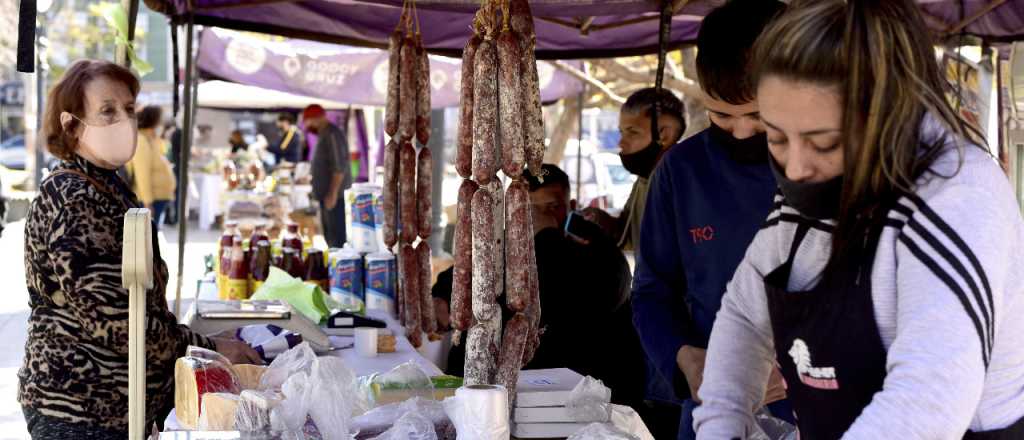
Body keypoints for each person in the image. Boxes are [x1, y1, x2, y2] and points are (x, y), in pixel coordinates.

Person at [694, 1, 1024, 438]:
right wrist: (721, 426)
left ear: (886, 116)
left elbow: (926, 400)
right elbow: (743, 314)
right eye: (775, 137)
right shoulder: (813, 187)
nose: (795, 168)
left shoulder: (957, 195)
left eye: (823, 142)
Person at [19, 59, 261, 439]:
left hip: (116, 407)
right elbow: (117, 324)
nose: (124, 121)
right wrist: (207, 347)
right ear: (70, 124)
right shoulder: (73, 197)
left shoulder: (105, 184)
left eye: (129, 109)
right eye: (107, 111)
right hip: (80, 409)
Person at [629, 1, 790, 438]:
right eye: (722, 115)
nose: (740, 132)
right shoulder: (680, 172)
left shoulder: (830, 164)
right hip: (712, 405)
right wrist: (684, 357)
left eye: (758, 116)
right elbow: (651, 291)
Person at [438, 165, 646, 410]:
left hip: (578, 390)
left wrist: (546, 235)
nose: (536, 217)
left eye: (551, 207)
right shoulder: (502, 241)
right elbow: (460, 275)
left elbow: (606, 289)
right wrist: (440, 296)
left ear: (570, 205)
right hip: (505, 389)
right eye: (526, 209)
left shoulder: (591, 241)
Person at [582, 87, 686, 252]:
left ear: (665, 135)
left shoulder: (680, 183)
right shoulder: (644, 180)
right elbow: (630, 238)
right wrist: (602, 220)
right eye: (622, 133)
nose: (621, 143)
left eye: (633, 133)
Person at [303, 104, 351, 248]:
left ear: (317, 118)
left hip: (333, 197)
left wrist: (333, 193)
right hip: (326, 195)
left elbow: (339, 167)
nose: (308, 126)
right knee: (330, 238)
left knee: (336, 240)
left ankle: (339, 268)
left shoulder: (332, 134)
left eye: (308, 121)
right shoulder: (324, 134)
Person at [127, 105, 177, 226]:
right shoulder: (141, 140)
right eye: (160, 119)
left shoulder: (150, 139)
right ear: (153, 120)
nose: (162, 123)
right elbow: (142, 173)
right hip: (150, 200)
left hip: (158, 197)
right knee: (149, 237)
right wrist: (147, 203)